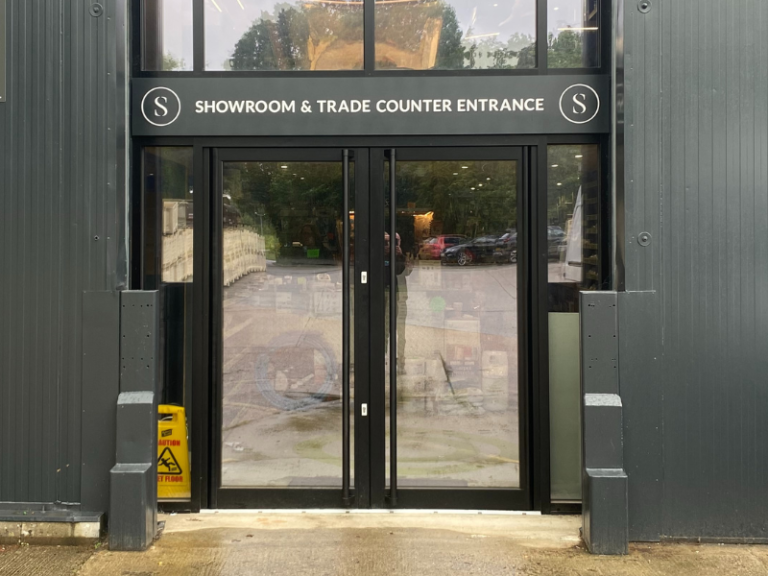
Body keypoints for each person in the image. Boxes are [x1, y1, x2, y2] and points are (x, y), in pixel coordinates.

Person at [384, 232, 408, 374]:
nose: (390, 245)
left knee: (401, 331)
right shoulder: (380, 255)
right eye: (387, 242)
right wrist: (384, 253)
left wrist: (400, 256)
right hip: (384, 294)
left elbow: (405, 272)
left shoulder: (400, 256)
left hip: (399, 295)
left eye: (395, 241)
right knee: (384, 330)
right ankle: (383, 359)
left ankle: (400, 361)